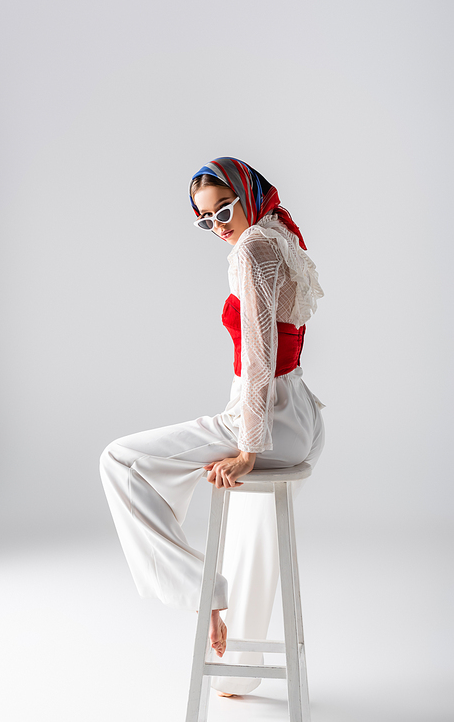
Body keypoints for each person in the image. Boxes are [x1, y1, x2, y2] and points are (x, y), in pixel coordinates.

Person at [99, 156, 325, 697]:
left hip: (267, 414)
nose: (219, 225)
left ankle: (204, 593)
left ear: (246, 193)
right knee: (250, 517)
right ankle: (237, 658)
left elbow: (259, 355)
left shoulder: (253, 249)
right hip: (302, 416)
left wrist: (248, 447)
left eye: (224, 210)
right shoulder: (278, 231)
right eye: (204, 219)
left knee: (120, 460)